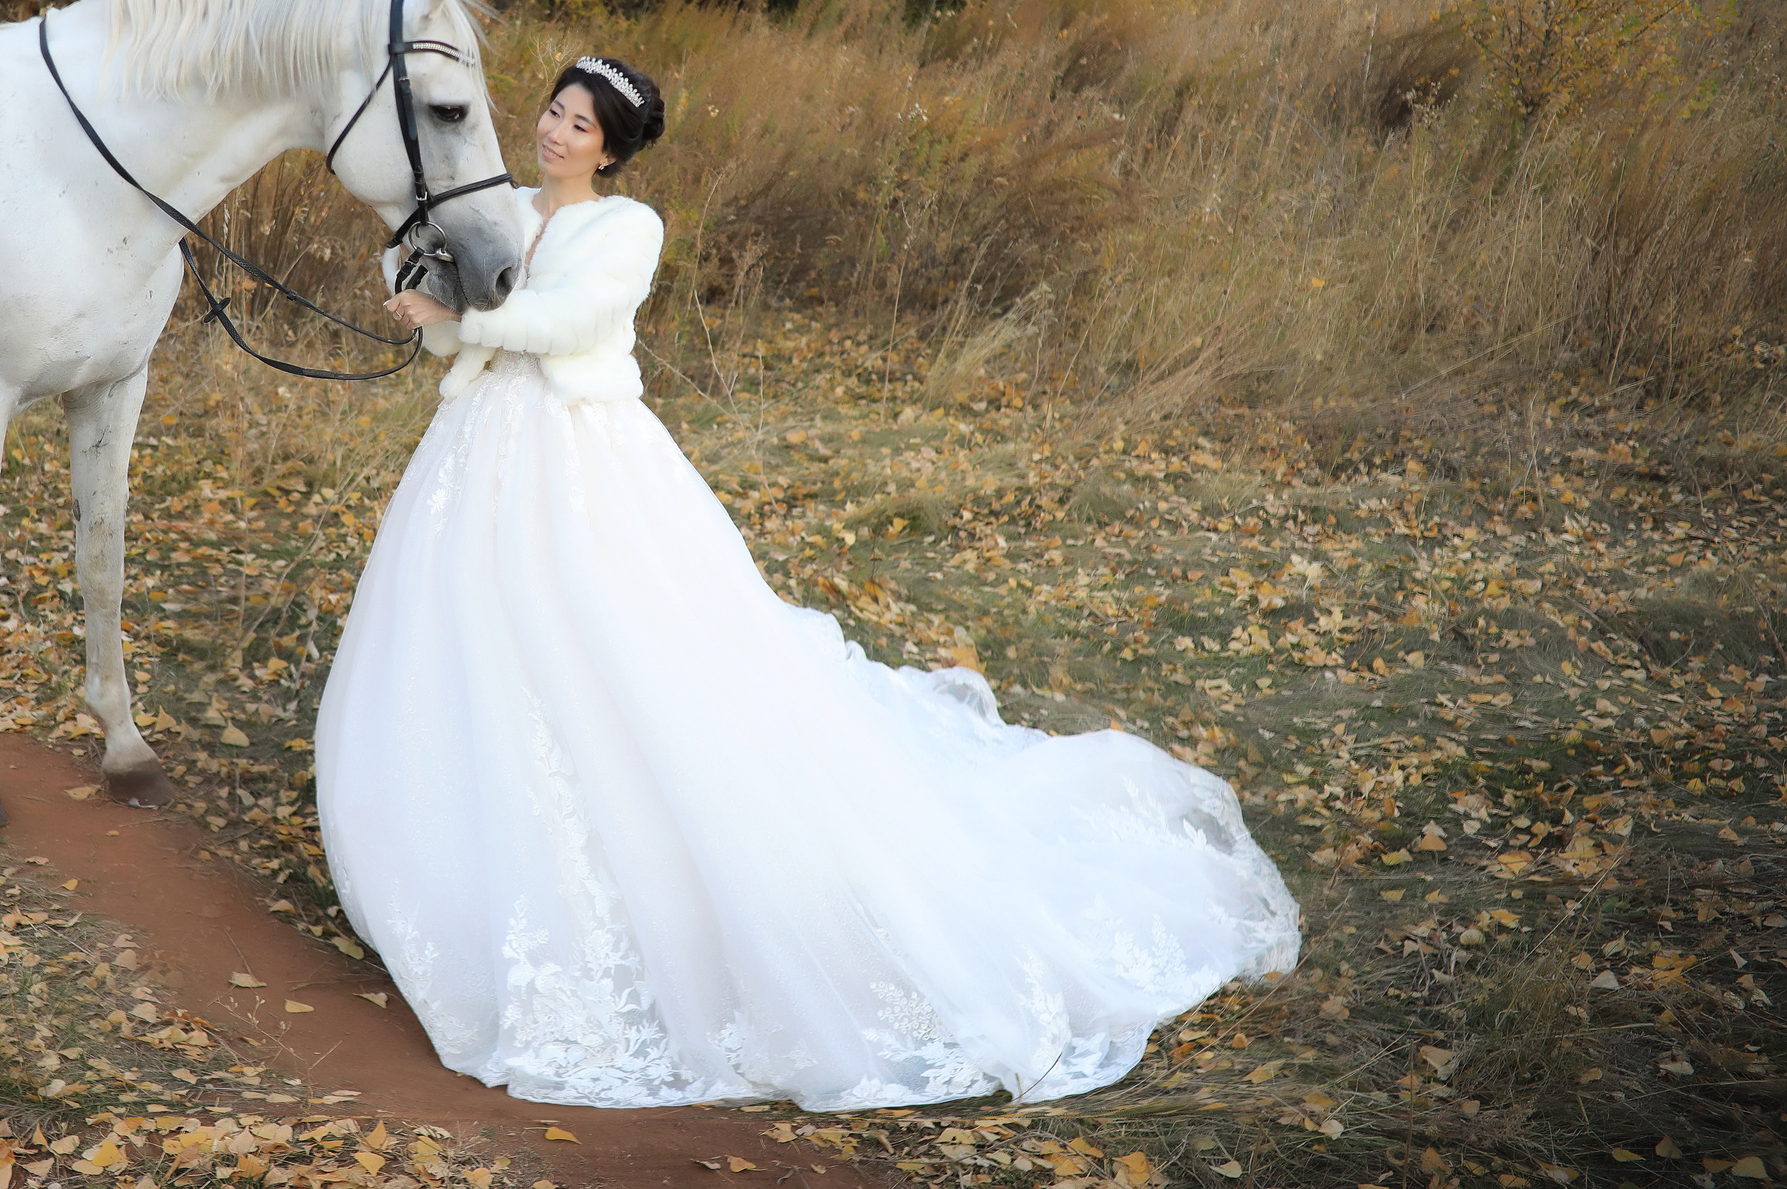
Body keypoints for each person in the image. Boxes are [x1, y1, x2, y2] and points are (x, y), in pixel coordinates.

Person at [315, 55, 1300, 1113]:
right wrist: (419, 301)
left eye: (579, 126)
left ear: (612, 150)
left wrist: (463, 322)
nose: (554, 133)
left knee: (612, 646)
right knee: (460, 640)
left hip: (579, 460)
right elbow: (451, 314)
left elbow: (562, 330)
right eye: (553, 113)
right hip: (474, 452)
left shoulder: (625, 231)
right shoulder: (498, 206)